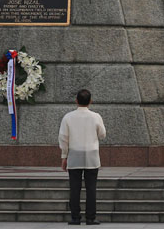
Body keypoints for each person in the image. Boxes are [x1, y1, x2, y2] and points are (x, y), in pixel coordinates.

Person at [59, 89, 106, 225]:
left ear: (76, 101)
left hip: (74, 154)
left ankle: (75, 217)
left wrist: (64, 156)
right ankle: (91, 218)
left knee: (75, 188)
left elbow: (63, 138)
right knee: (91, 188)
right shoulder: (96, 116)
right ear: (90, 101)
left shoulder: (68, 117)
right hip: (92, 155)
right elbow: (102, 134)